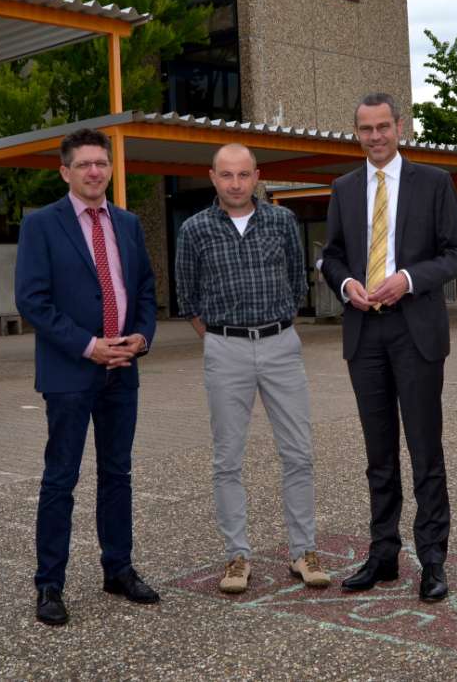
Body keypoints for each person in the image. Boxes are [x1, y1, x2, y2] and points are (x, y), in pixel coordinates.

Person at [322, 93, 457, 601]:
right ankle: (384, 554)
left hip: (416, 331)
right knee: (378, 454)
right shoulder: (343, 188)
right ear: (356, 132)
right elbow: (332, 256)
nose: (376, 136)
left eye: (383, 126)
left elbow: (456, 254)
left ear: (399, 126)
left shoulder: (434, 182)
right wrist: (345, 286)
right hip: (365, 333)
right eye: (366, 129)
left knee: (425, 450)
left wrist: (408, 277)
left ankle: (432, 560)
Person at [15, 128, 159, 625]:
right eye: (84, 165)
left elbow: (142, 288)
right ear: (65, 172)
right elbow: (32, 300)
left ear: (111, 169)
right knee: (61, 478)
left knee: (117, 475)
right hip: (71, 371)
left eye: (102, 163)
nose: (94, 171)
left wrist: (141, 337)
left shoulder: (129, 223)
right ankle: (49, 584)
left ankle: (118, 569)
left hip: (123, 368)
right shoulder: (41, 225)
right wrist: (88, 345)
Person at [175, 143, 330, 594]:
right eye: (227, 175)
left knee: (298, 452)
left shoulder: (282, 221)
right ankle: (236, 556)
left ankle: (303, 551)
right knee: (227, 458)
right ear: (212, 176)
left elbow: (296, 282)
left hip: (281, 344)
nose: (236, 183)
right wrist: (224, 339)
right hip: (226, 349)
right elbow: (187, 296)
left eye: (244, 175)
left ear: (257, 176)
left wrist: (276, 330)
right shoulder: (194, 230)